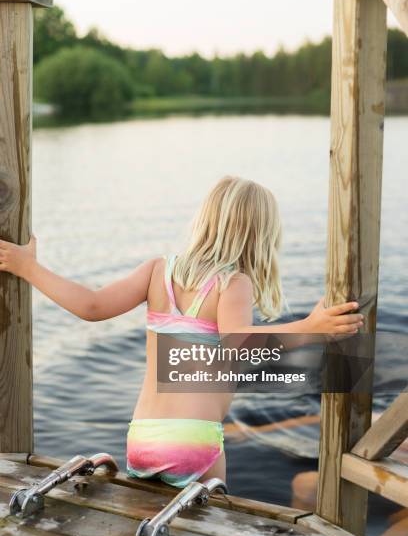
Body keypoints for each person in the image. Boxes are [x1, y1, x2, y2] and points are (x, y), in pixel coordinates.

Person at [0, 176, 363, 488]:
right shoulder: (232, 283)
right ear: (263, 237)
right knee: (213, 532)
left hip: (142, 438)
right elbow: (239, 344)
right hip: (195, 440)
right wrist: (312, 329)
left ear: (205, 220)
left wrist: (28, 268)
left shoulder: (158, 270)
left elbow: (92, 307)